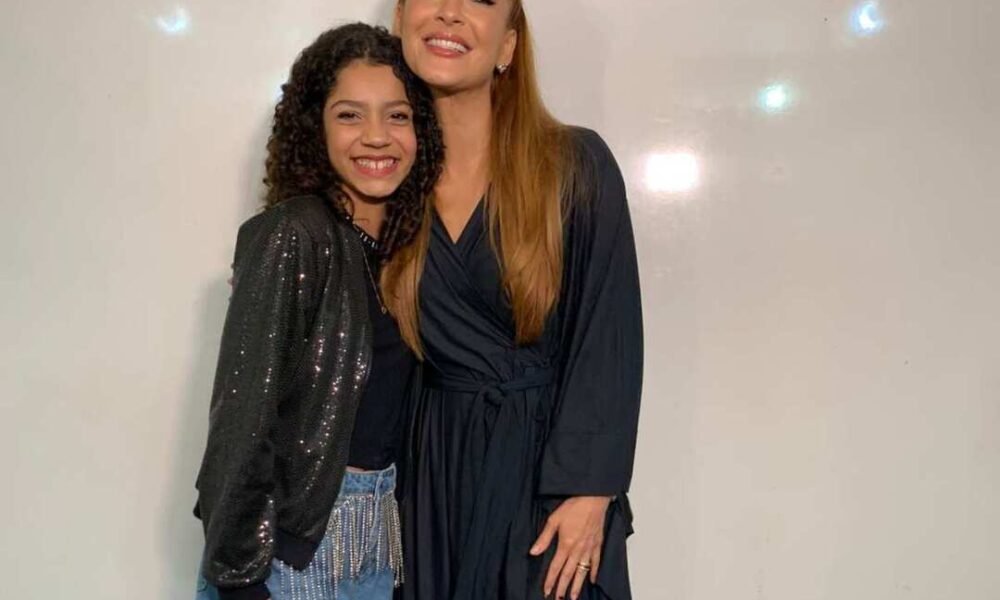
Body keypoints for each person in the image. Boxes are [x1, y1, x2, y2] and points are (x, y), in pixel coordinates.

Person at [385, 2, 643, 600]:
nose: (450, 12)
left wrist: (589, 491)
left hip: (545, 476)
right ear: (400, 20)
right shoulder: (384, 177)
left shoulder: (574, 164)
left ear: (507, 46)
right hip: (425, 479)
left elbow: (608, 334)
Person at [193, 23, 443, 600]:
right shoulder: (295, 233)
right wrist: (239, 581)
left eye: (397, 116)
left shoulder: (404, 253)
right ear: (316, 128)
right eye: (350, 115)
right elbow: (242, 420)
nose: (376, 137)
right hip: (288, 555)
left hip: (377, 542)